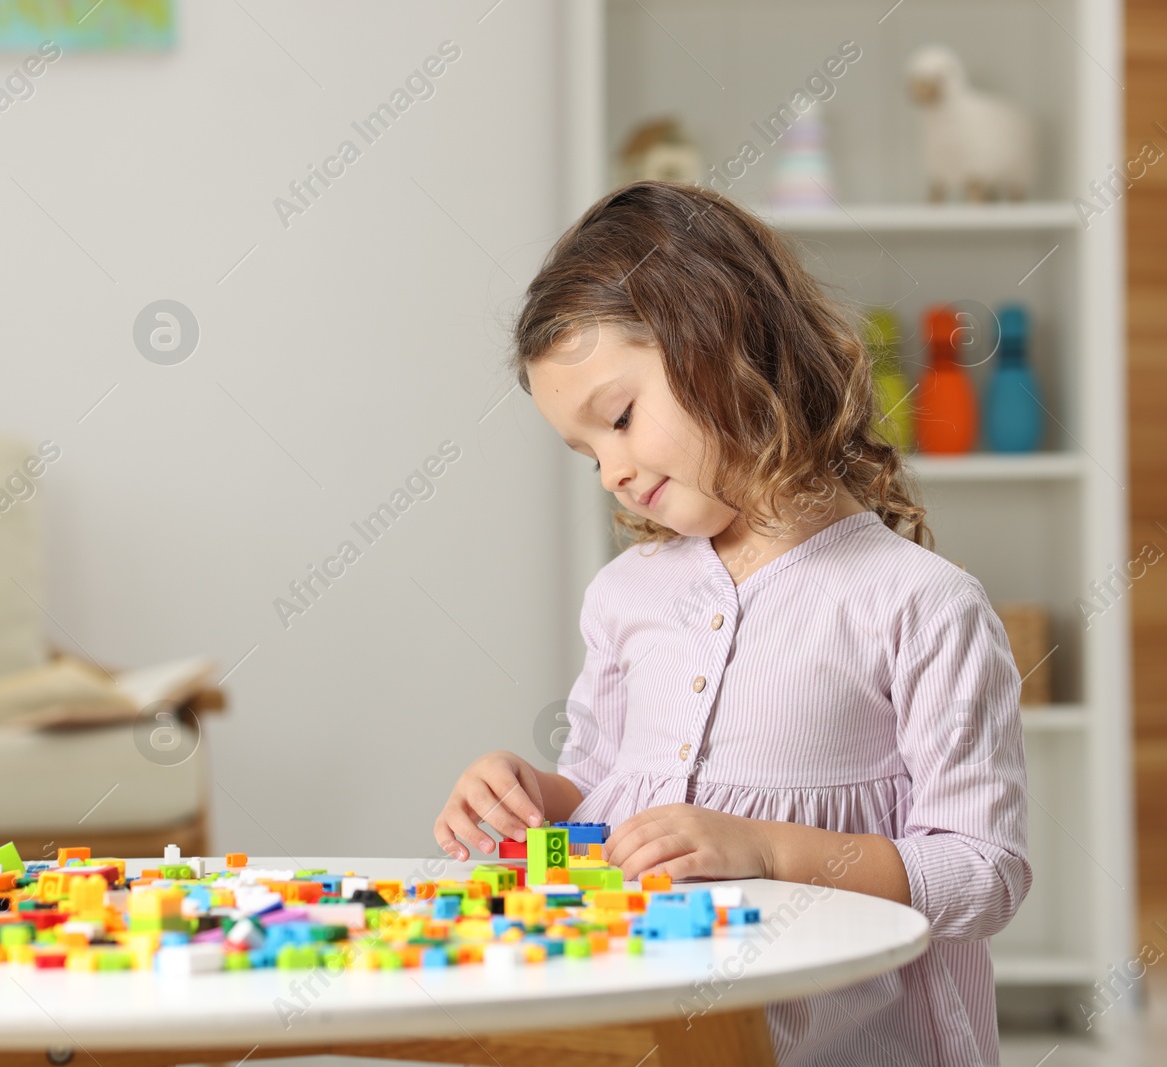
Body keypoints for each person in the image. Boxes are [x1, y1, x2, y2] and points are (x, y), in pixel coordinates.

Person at [433, 180, 1031, 1067]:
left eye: (621, 419)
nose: (611, 471)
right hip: (660, 1037)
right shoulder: (625, 596)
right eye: (588, 452)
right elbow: (601, 799)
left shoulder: (920, 604)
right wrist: (526, 798)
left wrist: (766, 847)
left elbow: (984, 873)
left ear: (717, 337)